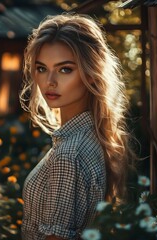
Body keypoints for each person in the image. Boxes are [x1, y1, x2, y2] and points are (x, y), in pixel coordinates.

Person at [19, 13, 134, 240]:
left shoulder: (68, 155)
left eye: (65, 69)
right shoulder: (91, 135)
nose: (49, 81)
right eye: (41, 68)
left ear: (91, 75)